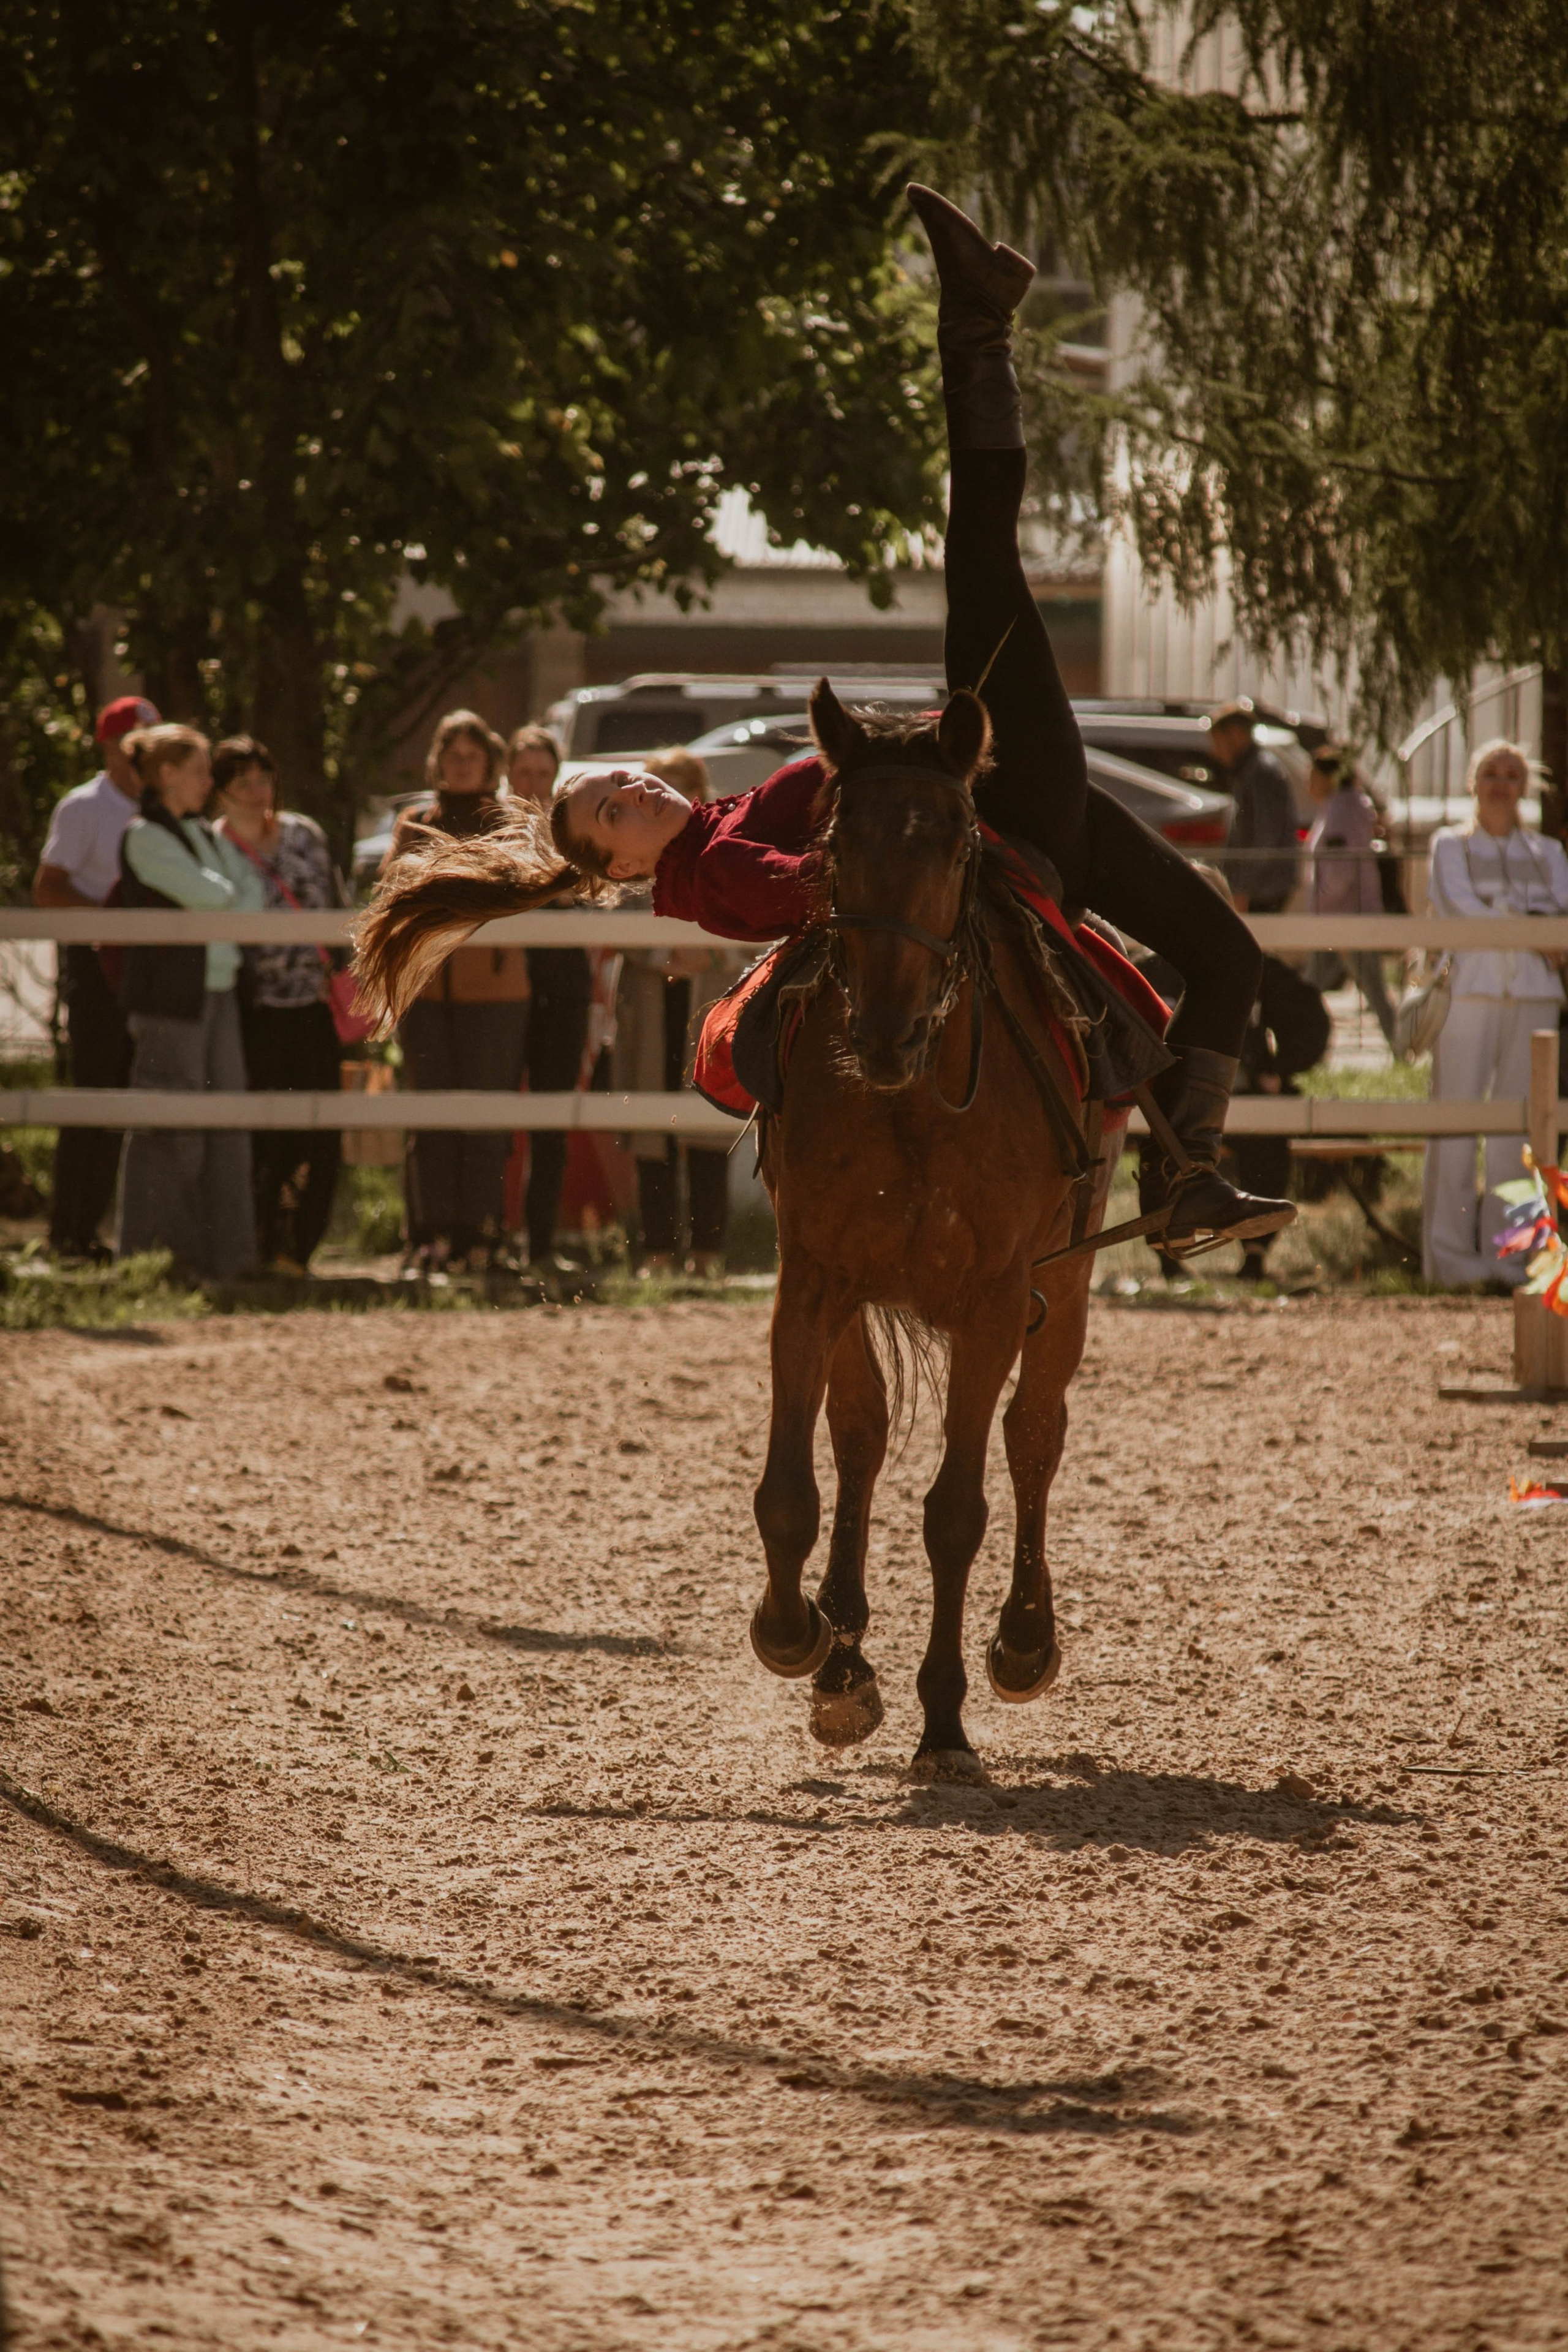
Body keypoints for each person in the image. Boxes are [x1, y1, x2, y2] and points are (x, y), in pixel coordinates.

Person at [355, 189, 1293, 1261]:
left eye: (623, 779)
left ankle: (1187, 1175)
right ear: (619, 865)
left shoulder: (719, 823)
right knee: (983, 560)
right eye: (617, 808)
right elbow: (822, 889)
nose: (643, 790)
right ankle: (976, 324)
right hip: (1000, 813)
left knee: (1227, 955)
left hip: (1027, 836)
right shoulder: (707, 878)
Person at [115, 723, 263, 1280]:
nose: (209, 782)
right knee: (171, 1131)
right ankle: (156, 1259)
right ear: (168, 774)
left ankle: (228, 1258)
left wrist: (230, 898)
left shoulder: (205, 834)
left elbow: (246, 892)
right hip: (171, 1001)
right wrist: (230, 897)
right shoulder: (143, 836)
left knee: (228, 1129)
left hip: (220, 992)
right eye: (200, 770)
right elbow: (218, 896)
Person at [1422, 739, 1568, 1288]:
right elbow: (1461, 906)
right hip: (1470, 992)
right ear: (1473, 782)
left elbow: (1561, 910)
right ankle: (1452, 1261)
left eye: (1512, 773)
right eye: (1490, 772)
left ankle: (1510, 1259)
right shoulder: (1448, 845)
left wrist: (1513, 919)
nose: (1501, 783)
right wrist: (1528, 924)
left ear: (1525, 785)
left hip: (1533, 995)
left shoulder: (1548, 852)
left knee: (1520, 1133)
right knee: (1455, 1122)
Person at [393, 710, 530, 1270]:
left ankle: (481, 1234)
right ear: (438, 765)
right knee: (429, 1118)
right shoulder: (414, 823)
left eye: (472, 756)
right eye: (452, 755)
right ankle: (429, 1237)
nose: (462, 765)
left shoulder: (512, 822)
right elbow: (394, 889)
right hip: (425, 990)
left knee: (485, 1119)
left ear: (491, 764)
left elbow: (520, 888)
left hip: (496, 991)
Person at [32, 694, 161, 1258]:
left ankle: (104, 1230)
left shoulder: (162, 808)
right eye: (133, 747)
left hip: (151, 966)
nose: (141, 759)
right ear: (108, 748)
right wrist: (108, 923)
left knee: (133, 1098)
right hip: (96, 965)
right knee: (93, 1094)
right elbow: (48, 890)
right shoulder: (84, 807)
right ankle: (69, 1231)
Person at [210, 735, 344, 1272]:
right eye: (242, 783)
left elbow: (333, 906)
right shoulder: (212, 846)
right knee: (265, 1135)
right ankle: (259, 1243)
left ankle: (300, 1247)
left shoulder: (304, 834)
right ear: (221, 792)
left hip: (314, 1007)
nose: (256, 792)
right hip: (252, 1011)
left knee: (320, 1133)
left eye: (263, 779)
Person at [612, 748, 737, 1275]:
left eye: (685, 786)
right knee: (653, 1128)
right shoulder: (633, 855)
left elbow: (747, 917)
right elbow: (615, 923)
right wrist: (661, 954)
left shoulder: (725, 850)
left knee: (707, 1123)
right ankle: (658, 1249)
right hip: (650, 998)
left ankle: (708, 1252)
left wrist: (710, 954)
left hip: (707, 994)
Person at [505, 724, 592, 1268]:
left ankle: (540, 1245)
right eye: (524, 772)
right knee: (487, 1113)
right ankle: (486, 1237)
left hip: (563, 982)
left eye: (543, 772)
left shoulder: (575, 828)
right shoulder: (491, 829)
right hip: (502, 981)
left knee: (552, 1118)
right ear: (508, 774)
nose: (534, 782)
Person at [1302, 745, 1396, 1047]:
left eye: (1314, 776)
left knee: (1369, 988)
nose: (1309, 784)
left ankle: (1399, 1045)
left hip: (1345, 916)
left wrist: (1321, 902)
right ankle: (1303, 1043)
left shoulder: (1344, 810)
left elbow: (1342, 867)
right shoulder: (1337, 806)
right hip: (1337, 916)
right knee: (1314, 987)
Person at [1210, 700, 1299, 914]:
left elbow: (1265, 838)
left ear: (1237, 734)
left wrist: (1243, 889)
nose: (1215, 752)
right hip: (1258, 889)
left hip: (1264, 890)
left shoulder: (1261, 772)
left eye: (1218, 741)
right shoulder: (1250, 771)